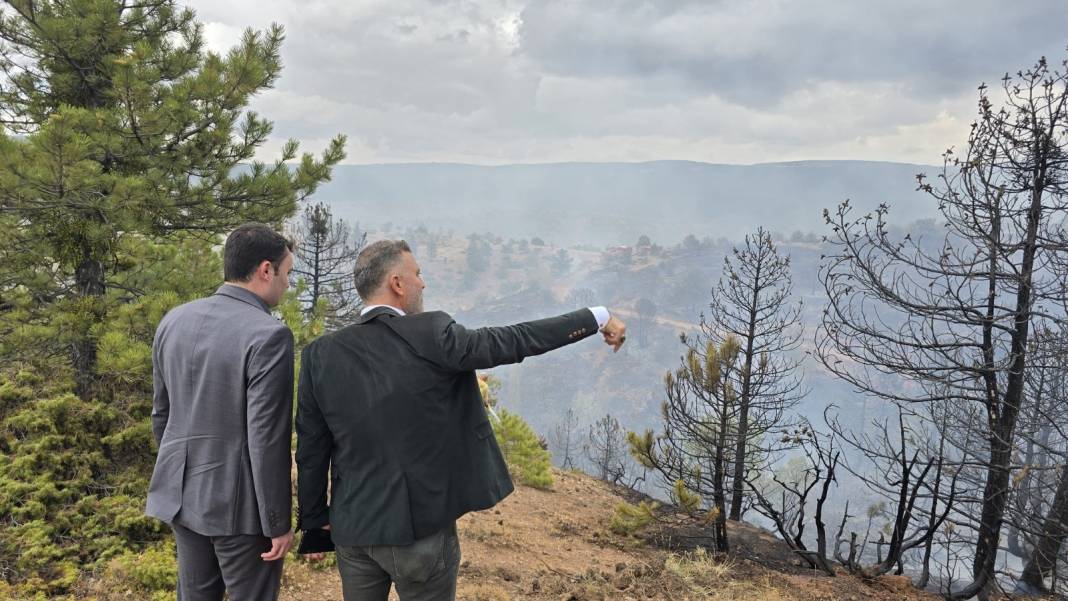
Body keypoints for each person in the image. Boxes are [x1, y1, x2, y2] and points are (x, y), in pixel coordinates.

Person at [296, 239, 626, 601]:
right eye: (417, 274)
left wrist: (314, 522)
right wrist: (596, 316)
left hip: (353, 532)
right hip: (418, 535)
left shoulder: (319, 355)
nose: (423, 283)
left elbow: (312, 446)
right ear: (397, 284)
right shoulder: (432, 334)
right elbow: (514, 340)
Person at [146, 223, 296, 601]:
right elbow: (267, 438)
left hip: (181, 498)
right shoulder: (268, 335)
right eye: (288, 273)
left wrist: (183, 475)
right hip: (242, 511)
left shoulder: (173, 321)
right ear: (266, 270)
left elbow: (161, 416)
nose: (288, 284)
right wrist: (277, 523)